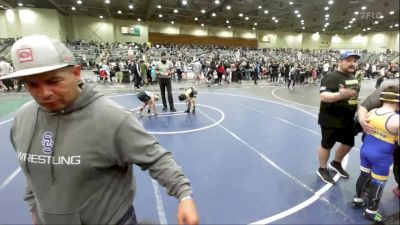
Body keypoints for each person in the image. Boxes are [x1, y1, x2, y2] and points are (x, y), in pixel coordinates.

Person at [2, 35, 199, 225]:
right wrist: (35, 212)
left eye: (53, 81)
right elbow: (32, 173)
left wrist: (184, 195)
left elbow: (156, 158)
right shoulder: (22, 119)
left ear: (76, 73)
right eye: (32, 84)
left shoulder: (112, 118)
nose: (44, 93)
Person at [352, 85, 399, 224]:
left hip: (365, 150)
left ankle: (358, 200)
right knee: (378, 183)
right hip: (381, 157)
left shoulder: (371, 112)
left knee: (364, 175)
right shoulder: (397, 120)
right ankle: (372, 212)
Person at [316, 51, 360, 184]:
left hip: (347, 119)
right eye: (349, 60)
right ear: (339, 62)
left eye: (355, 61)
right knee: (327, 145)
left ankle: (336, 163)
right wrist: (340, 95)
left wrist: (360, 110)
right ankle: (322, 168)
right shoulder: (331, 77)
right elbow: (324, 96)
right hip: (331, 119)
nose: (353, 63)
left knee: (348, 144)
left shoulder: (353, 78)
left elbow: (353, 97)